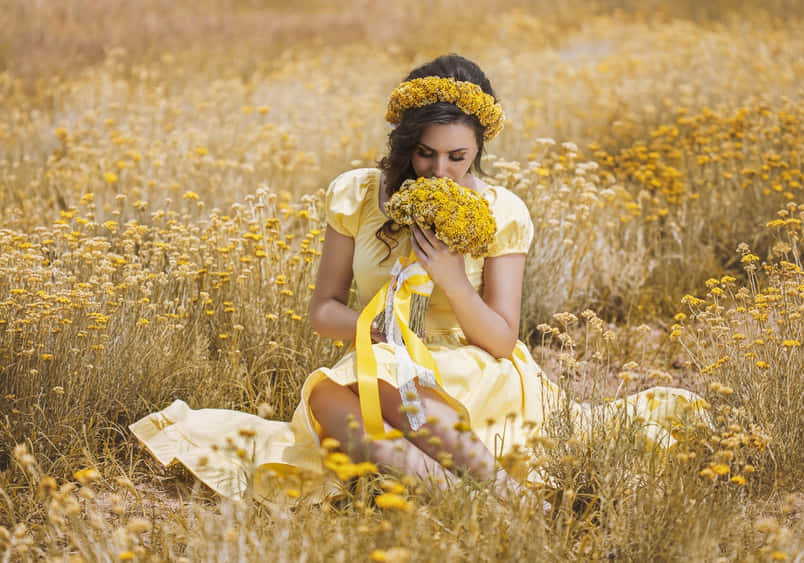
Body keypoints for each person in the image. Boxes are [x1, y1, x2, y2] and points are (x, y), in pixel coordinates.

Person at [130, 54, 706, 504]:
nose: (439, 171)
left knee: (385, 387)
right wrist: (377, 334)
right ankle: (460, 498)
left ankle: (507, 497)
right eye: (426, 154)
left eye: (458, 156)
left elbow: (502, 338)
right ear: (406, 143)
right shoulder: (358, 193)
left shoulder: (503, 211)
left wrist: (452, 278)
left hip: (473, 366)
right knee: (326, 398)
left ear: (479, 147)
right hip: (377, 356)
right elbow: (323, 310)